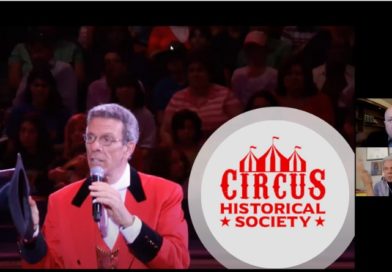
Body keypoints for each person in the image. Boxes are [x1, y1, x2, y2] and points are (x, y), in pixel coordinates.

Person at [20, 103, 190, 268]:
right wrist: (32, 238)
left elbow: (177, 262)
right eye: (90, 138)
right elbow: (49, 265)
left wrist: (130, 224)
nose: (94, 147)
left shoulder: (165, 193)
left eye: (106, 139)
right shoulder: (61, 201)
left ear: (128, 148)